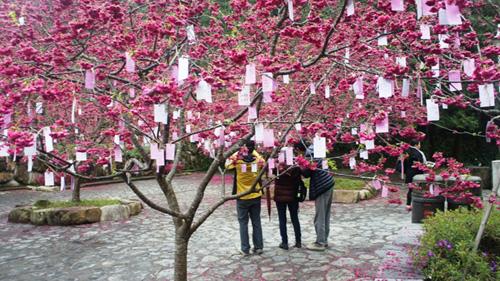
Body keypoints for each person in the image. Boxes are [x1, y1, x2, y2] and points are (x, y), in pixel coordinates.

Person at [225, 140, 265, 256]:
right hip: (255, 195)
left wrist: (238, 151)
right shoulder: (258, 160)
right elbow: (264, 162)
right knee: (256, 221)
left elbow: (226, 164)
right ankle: (258, 247)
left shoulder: (237, 161)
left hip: (242, 196)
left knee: (243, 223)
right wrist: (255, 152)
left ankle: (245, 248)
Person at [294, 142, 335, 251]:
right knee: (326, 214)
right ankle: (324, 240)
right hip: (329, 182)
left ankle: (320, 242)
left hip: (322, 186)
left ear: (299, 149)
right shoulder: (315, 147)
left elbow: (307, 172)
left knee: (320, 215)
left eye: (297, 151)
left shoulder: (309, 154)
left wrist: (299, 166)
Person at [273, 164, 303, 250]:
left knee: (282, 219)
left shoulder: (277, 166)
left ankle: (284, 242)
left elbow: (271, 173)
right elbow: (298, 181)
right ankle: (298, 241)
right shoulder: (296, 167)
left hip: (280, 197)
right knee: (295, 218)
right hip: (293, 197)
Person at [401, 140, 426, 211]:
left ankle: (408, 205)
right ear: (416, 145)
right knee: (419, 189)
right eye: (419, 144)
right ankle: (418, 204)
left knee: (410, 189)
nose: (420, 145)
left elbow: (403, 162)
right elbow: (424, 163)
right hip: (418, 174)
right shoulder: (419, 153)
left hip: (409, 173)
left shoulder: (405, 151)